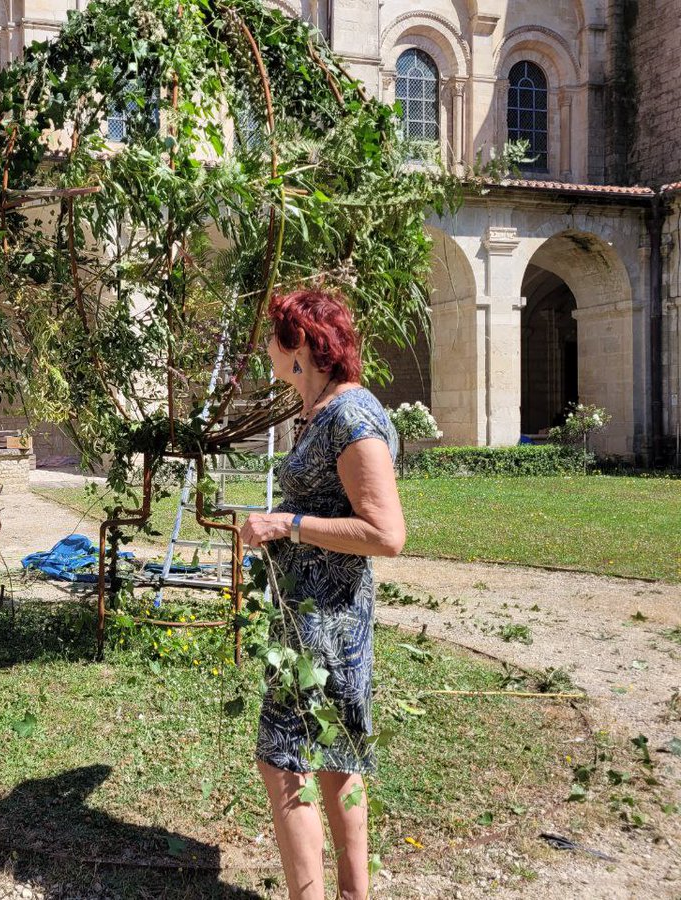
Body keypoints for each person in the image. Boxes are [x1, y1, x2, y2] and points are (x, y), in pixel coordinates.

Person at [238, 288, 405, 900]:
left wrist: (288, 524)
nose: (268, 353)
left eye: (274, 341)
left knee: (285, 760)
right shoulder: (317, 411)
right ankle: (352, 895)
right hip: (311, 613)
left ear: (299, 345)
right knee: (337, 750)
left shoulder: (350, 414)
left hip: (326, 622)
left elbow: (386, 533)